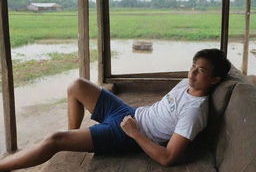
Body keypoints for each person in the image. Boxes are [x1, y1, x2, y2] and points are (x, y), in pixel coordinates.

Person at [0, 48, 231, 171]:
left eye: (201, 70)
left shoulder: (195, 112)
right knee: (77, 86)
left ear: (214, 79)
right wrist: (134, 119)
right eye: (193, 66)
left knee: (54, 139)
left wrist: (135, 133)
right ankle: (73, 138)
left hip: (129, 135)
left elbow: (168, 158)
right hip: (130, 113)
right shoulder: (186, 84)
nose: (192, 73)